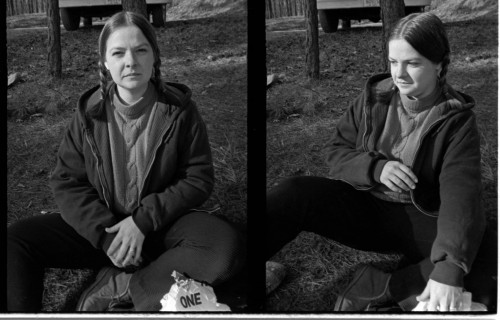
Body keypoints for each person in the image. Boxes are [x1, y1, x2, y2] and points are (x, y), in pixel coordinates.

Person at [7, 11, 244, 312]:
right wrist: (107, 236)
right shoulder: (88, 115)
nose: (130, 61)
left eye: (140, 50)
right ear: (105, 62)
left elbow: (198, 178)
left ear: (154, 57)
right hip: (105, 233)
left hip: (160, 229)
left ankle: (126, 285)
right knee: (16, 240)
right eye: (118, 53)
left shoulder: (180, 111)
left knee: (225, 245)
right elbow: (66, 182)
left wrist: (142, 222)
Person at [266, 12, 496, 312]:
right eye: (393, 62)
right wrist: (376, 168)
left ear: (439, 64)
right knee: (294, 192)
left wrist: (449, 266)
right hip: (365, 206)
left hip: (421, 216)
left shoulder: (456, 119)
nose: (399, 74)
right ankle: (240, 263)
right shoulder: (375, 97)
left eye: (413, 63)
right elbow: (336, 151)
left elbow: (460, 193)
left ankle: (383, 287)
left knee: (486, 253)